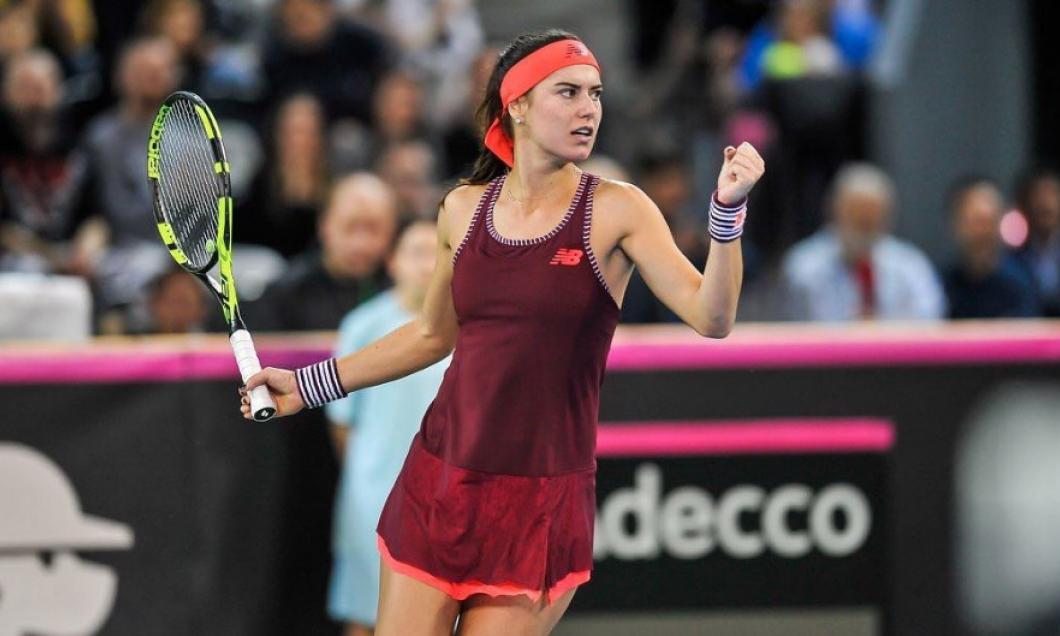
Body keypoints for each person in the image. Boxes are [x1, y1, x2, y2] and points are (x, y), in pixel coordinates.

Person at [239, 29, 763, 635]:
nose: (588, 108)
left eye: (594, 94)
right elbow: (432, 335)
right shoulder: (461, 209)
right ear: (516, 105)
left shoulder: (620, 209)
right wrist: (308, 386)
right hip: (438, 483)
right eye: (567, 92)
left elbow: (713, 317)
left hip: (541, 505)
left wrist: (726, 215)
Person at [326, 219, 448, 636]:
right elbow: (341, 423)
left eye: (439, 252)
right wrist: (368, 480)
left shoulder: (472, 329)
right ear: (393, 261)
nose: (428, 263)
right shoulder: (362, 326)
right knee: (365, 614)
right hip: (371, 500)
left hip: (448, 500)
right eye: (416, 252)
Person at [781, 162, 945, 321]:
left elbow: (929, 326)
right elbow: (793, 331)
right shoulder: (803, 266)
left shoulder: (911, 266)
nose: (863, 230)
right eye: (856, 218)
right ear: (834, 211)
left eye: (871, 221)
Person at [253, 172, 396, 331]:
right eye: (350, 227)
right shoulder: (286, 295)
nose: (360, 244)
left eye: (373, 228)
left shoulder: (402, 292)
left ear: (392, 230)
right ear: (325, 226)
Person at [942, 177, 1038, 319]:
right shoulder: (943, 285)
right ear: (955, 224)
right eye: (974, 221)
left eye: (989, 222)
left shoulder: (1020, 283)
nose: (982, 232)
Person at [1012, 167, 1060, 316]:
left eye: (1052, 194)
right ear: (1025, 204)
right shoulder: (1012, 261)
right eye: (1038, 196)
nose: (1046, 204)